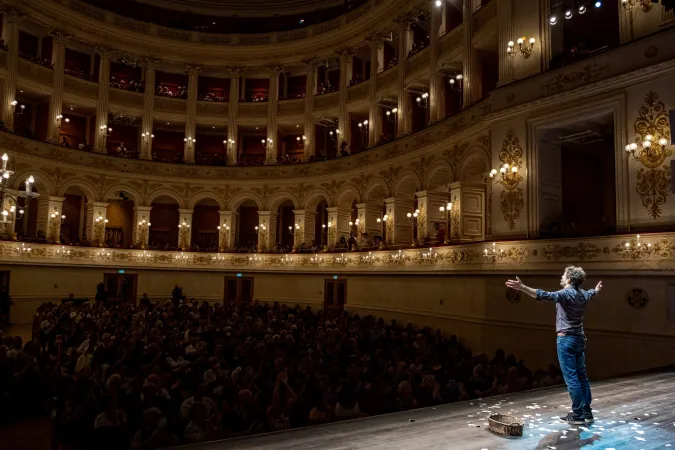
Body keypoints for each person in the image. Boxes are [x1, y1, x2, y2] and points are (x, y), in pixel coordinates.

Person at [505, 266, 602, 425]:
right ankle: (587, 412)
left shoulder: (564, 294)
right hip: (579, 339)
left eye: (564, 275)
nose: (562, 277)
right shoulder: (583, 294)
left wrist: (522, 287)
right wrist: (596, 290)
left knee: (572, 378)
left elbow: (542, 295)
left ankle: (577, 414)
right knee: (582, 377)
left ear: (570, 279)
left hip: (566, 340)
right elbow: (592, 293)